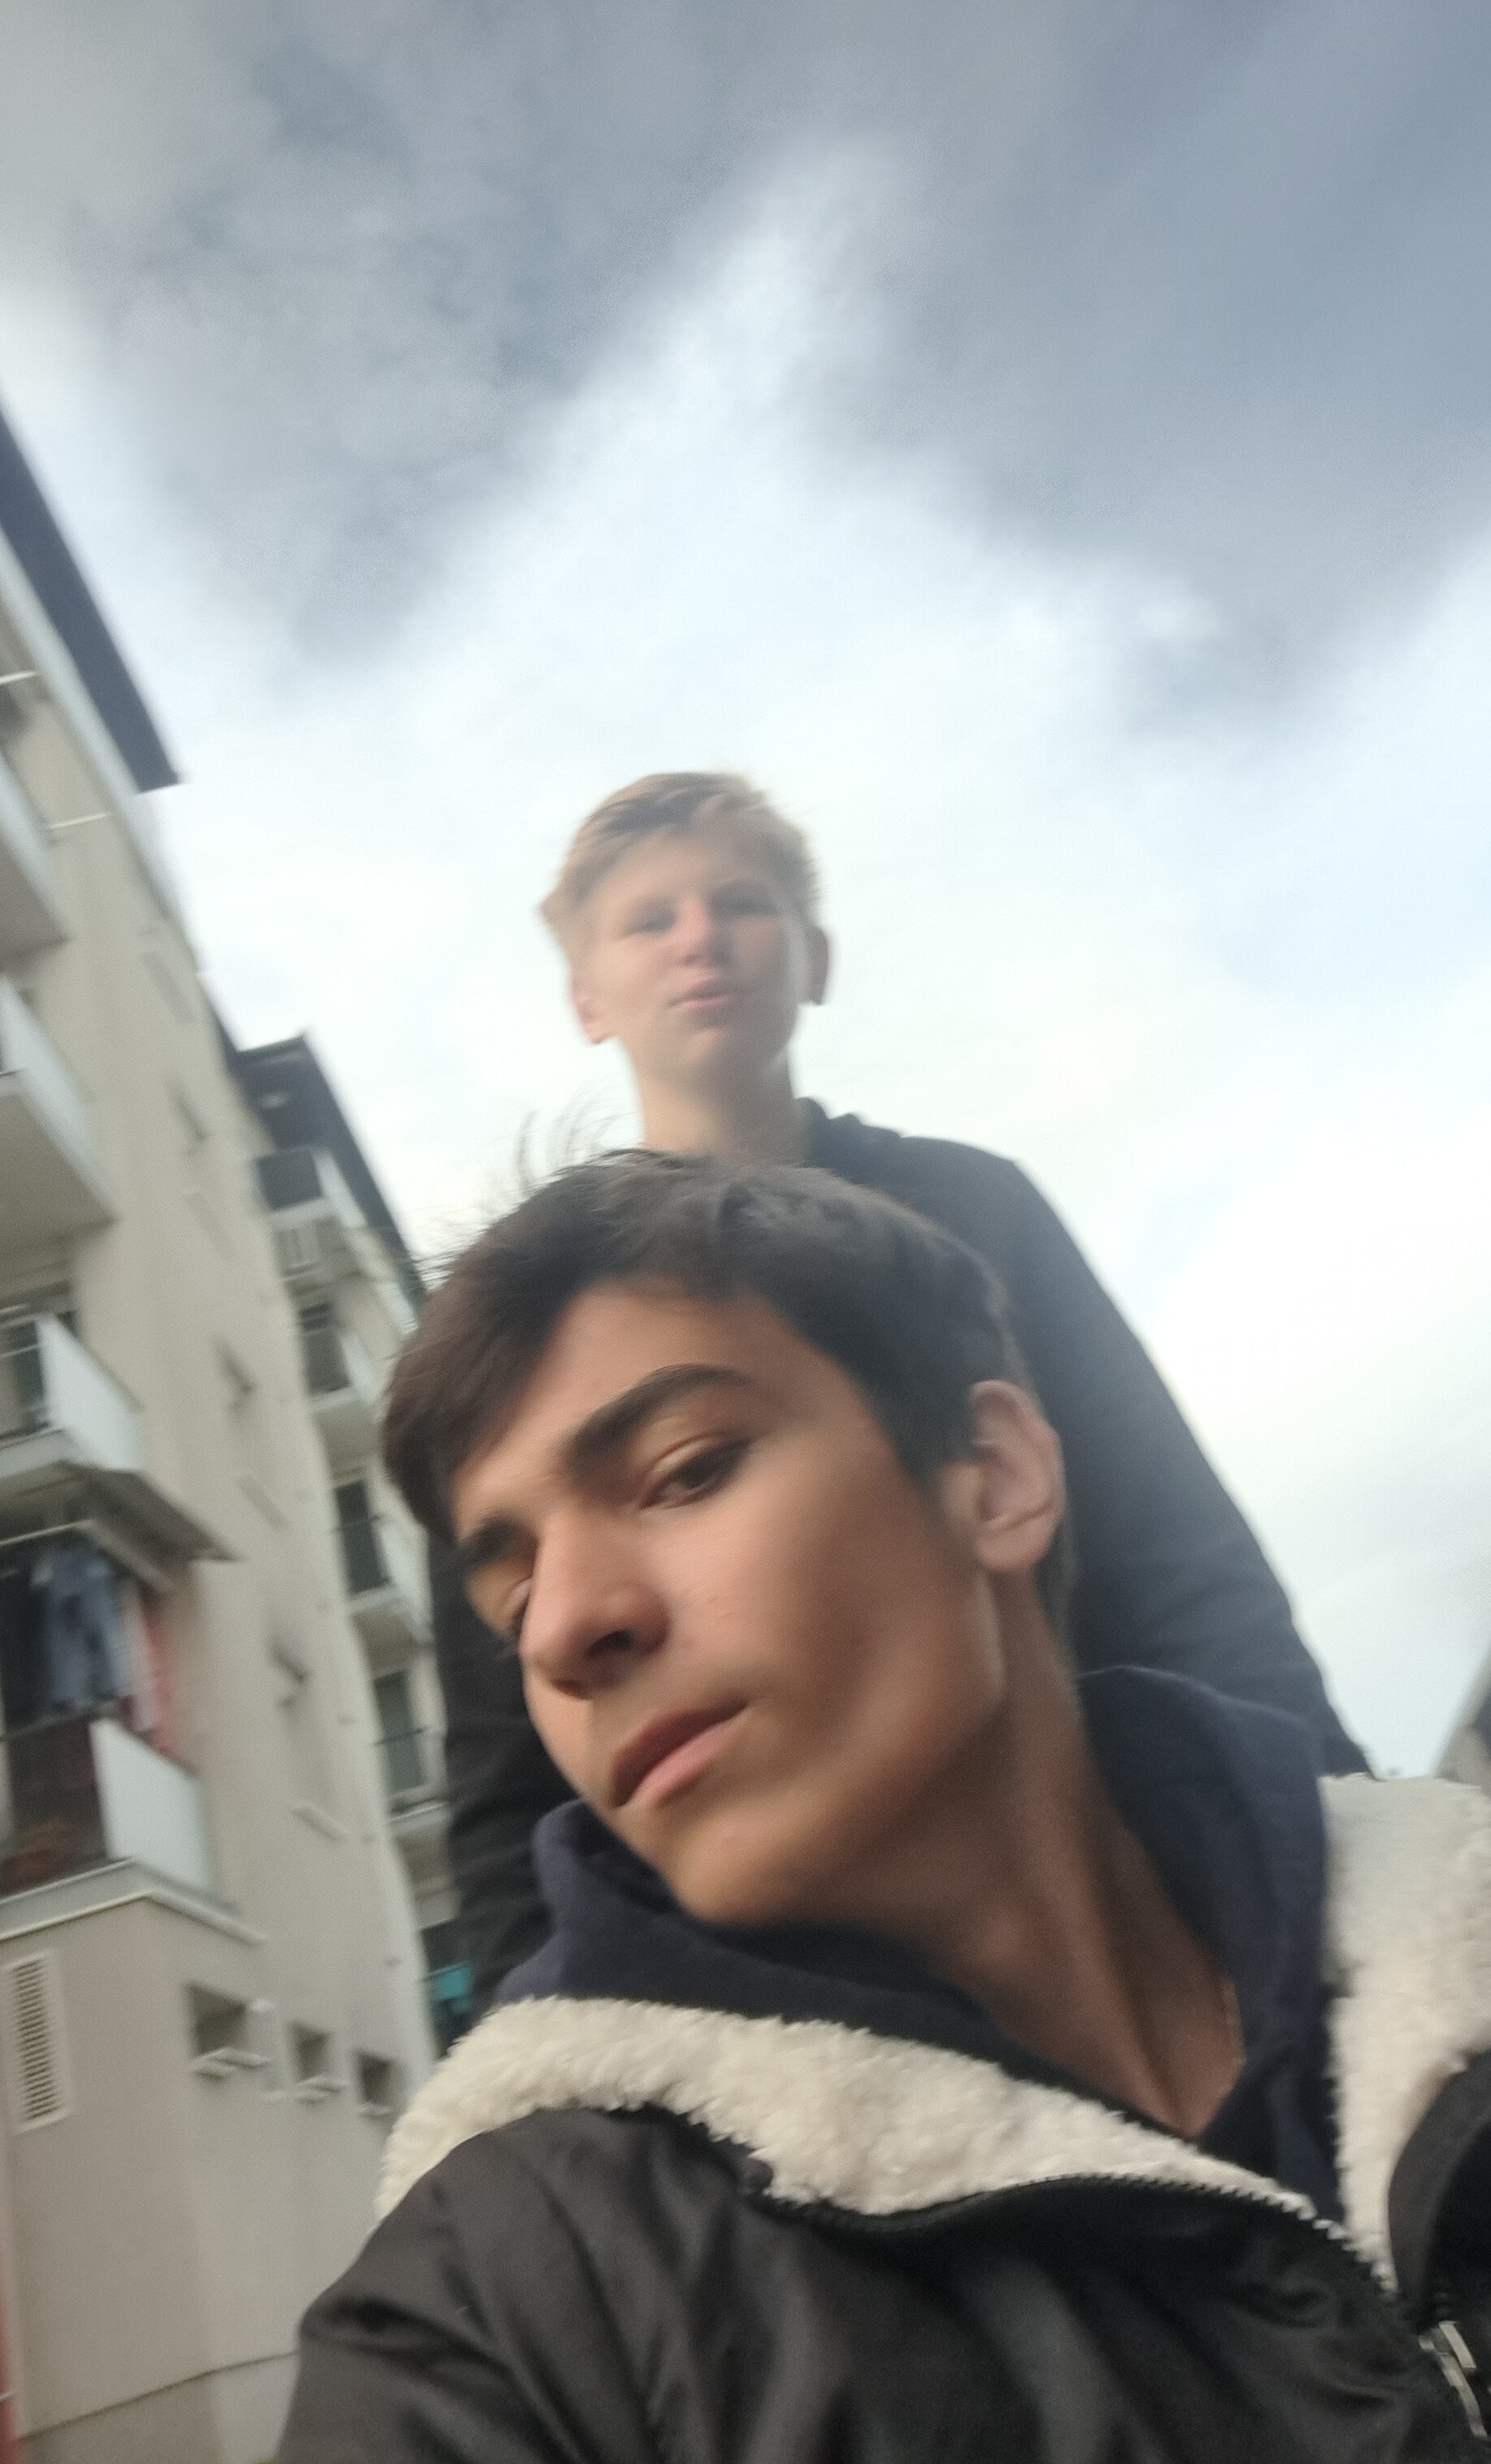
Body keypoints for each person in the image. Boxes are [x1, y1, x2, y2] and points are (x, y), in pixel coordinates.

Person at [283, 1156, 1491, 2462]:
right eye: (512, 1601)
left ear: (996, 1474)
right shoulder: (516, 2298)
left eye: (686, 1471)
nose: (566, 1627)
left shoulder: (1459, 1930)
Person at [438, 772, 1364, 2005]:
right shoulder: (527, 1343)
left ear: (814, 958)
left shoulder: (978, 1208)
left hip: (1128, 1888)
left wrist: (1339, 1849)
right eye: (649, 920)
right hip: (779, 2004)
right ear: (586, 999)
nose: (700, 939)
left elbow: (1175, 1549)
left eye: (741, 903)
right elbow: (502, 1782)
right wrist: (541, 2060)